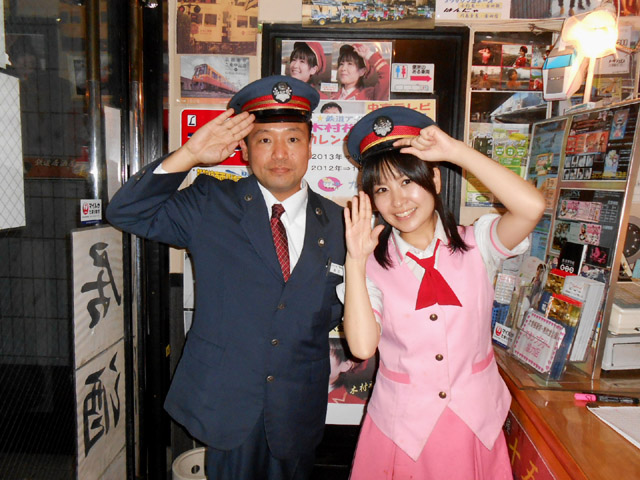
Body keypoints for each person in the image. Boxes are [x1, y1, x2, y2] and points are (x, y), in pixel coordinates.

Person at [106, 75, 347, 480]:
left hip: (297, 405)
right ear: (245, 149)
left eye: (292, 138)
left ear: (311, 145)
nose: (280, 153)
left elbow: (337, 308)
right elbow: (126, 212)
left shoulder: (340, 223)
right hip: (225, 400)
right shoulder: (211, 201)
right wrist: (189, 155)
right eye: (264, 139)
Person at [340, 106, 545, 479]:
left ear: (434, 177)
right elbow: (362, 347)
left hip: (474, 426)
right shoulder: (370, 266)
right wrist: (355, 261)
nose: (398, 201)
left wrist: (456, 152)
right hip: (403, 432)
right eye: (382, 189)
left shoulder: (479, 243)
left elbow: (531, 207)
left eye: (407, 181)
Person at [324, 43, 389, 101]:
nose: (343, 68)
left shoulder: (370, 95)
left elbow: (387, 74)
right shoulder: (332, 97)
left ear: (362, 71)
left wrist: (368, 54)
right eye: (341, 64)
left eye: (350, 64)